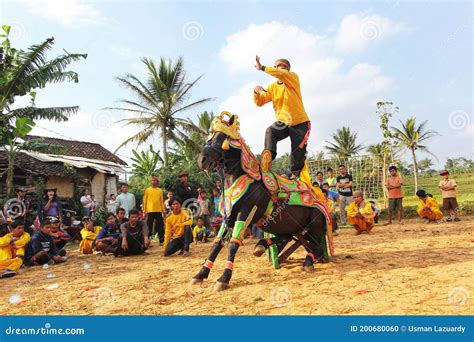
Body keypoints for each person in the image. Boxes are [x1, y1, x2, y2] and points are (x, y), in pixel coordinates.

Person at [253, 56, 310, 179]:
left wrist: (262, 67)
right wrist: (256, 93)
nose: (280, 69)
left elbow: (281, 74)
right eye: (278, 66)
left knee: (297, 154)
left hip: (299, 122)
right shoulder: (272, 87)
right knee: (270, 131)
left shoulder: (293, 78)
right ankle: (267, 159)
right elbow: (260, 102)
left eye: (283, 67)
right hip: (283, 122)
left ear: (288, 69)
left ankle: (295, 176)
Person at [143, 175, 166, 242]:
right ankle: (148, 240)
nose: (153, 181)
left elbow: (161, 201)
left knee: (160, 225)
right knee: (148, 226)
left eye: (155, 180)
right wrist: (144, 211)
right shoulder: (147, 190)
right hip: (149, 211)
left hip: (158, 210)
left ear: (157, 182)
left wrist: (163, 210)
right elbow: (145, 200)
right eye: (152, 180)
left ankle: (161, 240)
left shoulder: (160, 190)